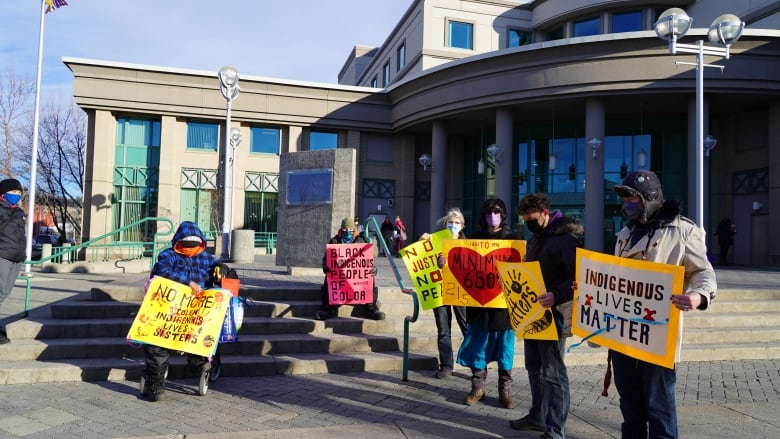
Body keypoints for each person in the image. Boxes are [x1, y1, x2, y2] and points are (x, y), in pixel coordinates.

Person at [610, 170, 717, 438]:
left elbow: (703, 271)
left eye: (631, 197)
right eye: (624, 198)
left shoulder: (683, 230)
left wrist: (699, 295)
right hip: (623, 332)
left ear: (650, 198)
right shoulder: (625, 233)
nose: (626, 204)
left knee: (659, 406)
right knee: (630, 405)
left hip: (657, 333)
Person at [511, 193, 581, 439]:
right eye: (525, 219)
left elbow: (578, 277)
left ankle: (555, 429)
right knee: (534, 367)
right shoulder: (536, 239)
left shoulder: (564, 240)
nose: (529, 223)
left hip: (555, 314)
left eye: (532, 218)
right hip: (533, 315)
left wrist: (556, 294)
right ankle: (537, 416)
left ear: (545, 213)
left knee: (553, 373)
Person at [141, 220, 220, 402]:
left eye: (194, 245)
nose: (190, 249)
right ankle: (156, 383)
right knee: (157, 342)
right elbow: (162, 271)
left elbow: (218, 269)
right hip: (167, 310)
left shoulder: (207, 258)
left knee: (199, 335)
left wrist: (223, 271)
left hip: (196, 312)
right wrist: (188, 282)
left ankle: (199, 363)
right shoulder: (168, 256)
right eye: (186, 244)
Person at [457, 198, 520, 409]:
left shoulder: (513, 240)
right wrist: (445, 262)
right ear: (483, 216)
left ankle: (505, 391)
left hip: (504, 308)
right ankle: (478, 388)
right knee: (478, 350)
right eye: (489, 212)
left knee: (505, 352)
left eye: (497, 212)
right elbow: (462, 267)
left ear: (503, 215)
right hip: (479, 306)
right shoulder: (474, 239)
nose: (493, 217)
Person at [422, 208, 469, 379]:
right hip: (439, 290)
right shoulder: (436, 241)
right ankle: (446, 366)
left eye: (457, 223)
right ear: (445, 224)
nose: (453, 225)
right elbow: (422, 258)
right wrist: (423, 241)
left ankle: (476, 365)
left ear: (462, 226)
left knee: (467, 327)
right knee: (443, 330)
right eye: (450, 222)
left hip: (460, 291)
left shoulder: (468, 244)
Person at [316, 217, 385, 321]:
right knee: (329, 278)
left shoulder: (361, 240)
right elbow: (326, 259)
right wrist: (327, 266)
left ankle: (370, 308)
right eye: (345, 230)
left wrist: (372, 268)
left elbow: (367, 259)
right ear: (341, 230)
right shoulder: (334, 241)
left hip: (356, 277)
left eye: (349, 229)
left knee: (370, 277)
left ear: (354, 229)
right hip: (340, 276)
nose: (347, 232)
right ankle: (327, 308)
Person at [0, 178, 27, 344]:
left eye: (19, 193)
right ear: (3, 193)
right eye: (13, 192)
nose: (16, 195)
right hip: (2, 254)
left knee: (4, 293)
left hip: (16, 256)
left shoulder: (17, 211)